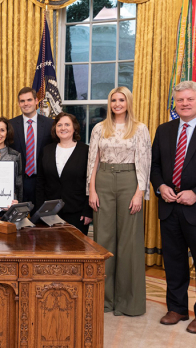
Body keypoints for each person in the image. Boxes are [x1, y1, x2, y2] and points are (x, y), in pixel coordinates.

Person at [87, 86, 151, 316]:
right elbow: (93, 160)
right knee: (103, 239)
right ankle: (104, 300)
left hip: (129, 181)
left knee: (129, 242)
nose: (117, 104)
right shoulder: (99, 128)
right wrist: (91, 190)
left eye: (121, 99)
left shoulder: (140, 129)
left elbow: (144, 161)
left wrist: (139, 193)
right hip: (102, 181)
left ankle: (128, 302)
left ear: (128, 102)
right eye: (113, 100)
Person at [150, 80, 196, 333]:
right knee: (174, 261)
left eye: (189, 99)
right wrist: (160, 187)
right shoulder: (165, 129)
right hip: (169, 207)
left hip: (195, 208)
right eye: (180, 100)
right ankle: (177, 308)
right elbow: (154, 166)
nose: (185, 103)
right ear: (175, 103)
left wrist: (195, 194)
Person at [35, 112, 92, 234]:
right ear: (55, 128)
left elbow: (91, 182)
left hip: (77, 212)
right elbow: (40, 181)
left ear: (74, 128)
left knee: (76, 251)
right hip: (50, 213)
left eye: (67, 124)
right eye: (59, 125)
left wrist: (88, 211)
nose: (63, 128)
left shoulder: (86, 151)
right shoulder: (47, 150)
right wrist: (41, 210)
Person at [9, 87, 53, 205]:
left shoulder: (50, 124)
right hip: (18, 181)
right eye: (22, 101)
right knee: (17, 220)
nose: (26, 104)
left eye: (29, 100)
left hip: (41, 181)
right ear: (19, 103)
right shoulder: (10, 125)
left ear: (36, 100)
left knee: (39, 220)